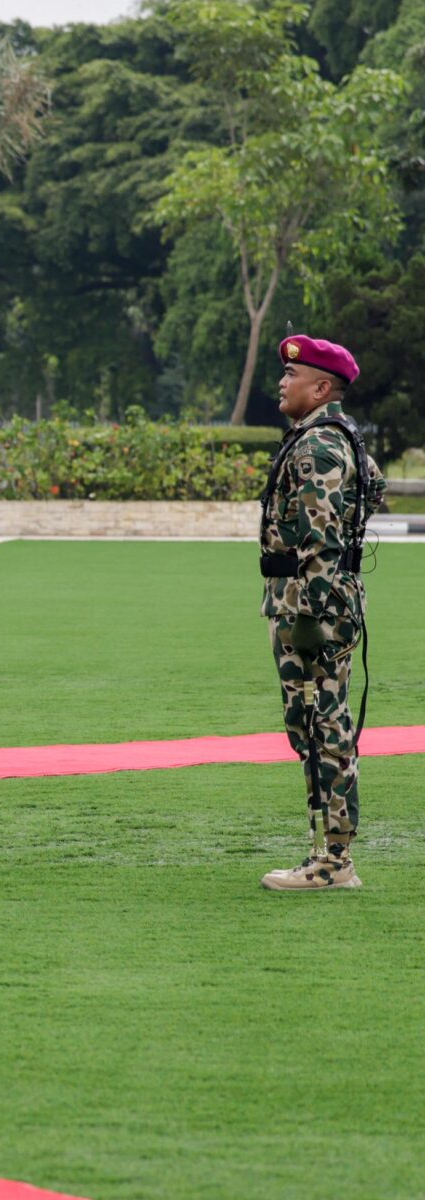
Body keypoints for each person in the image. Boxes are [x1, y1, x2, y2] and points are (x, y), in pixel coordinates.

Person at [258, 334, 385, 892]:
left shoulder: (316, 446)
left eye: (294, 375)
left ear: (321, 387)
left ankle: (333, 863)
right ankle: (326, 854)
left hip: (314, 611)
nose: (283, 383)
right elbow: (374, 485)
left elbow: (321, 541)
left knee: (323, 728)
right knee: (315, 727)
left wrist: (309, 617)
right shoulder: (337, 438)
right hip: (326, 603)